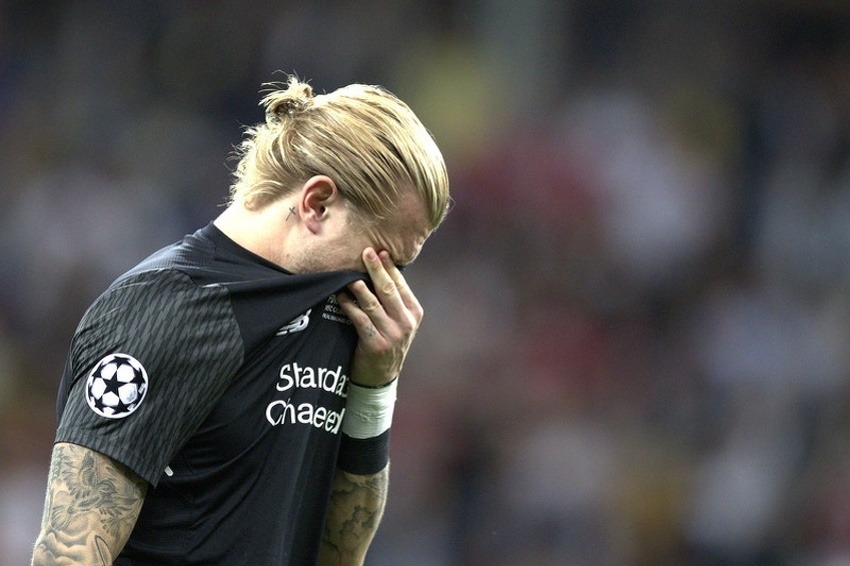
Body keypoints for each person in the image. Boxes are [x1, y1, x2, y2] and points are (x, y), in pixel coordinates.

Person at [30, 74, 450, 566]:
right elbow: (68, 554)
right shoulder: (168, 310)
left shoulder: (342, 316)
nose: (390, 288)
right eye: (382, 258)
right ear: (317, 204)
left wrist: (375, 391)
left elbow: (340, 554)